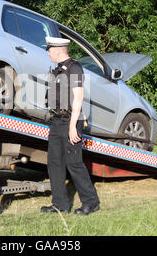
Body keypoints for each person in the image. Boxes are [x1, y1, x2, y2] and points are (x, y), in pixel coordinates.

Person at [41, 36, 100, 215]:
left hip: (70, 121)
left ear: (58, 50)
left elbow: (78, 97)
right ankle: (60, 205)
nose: (48, 52)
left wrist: (73, 125)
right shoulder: (58, 70)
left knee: (74, 163)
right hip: (57, 121)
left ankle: (91, 202)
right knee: (54, 164)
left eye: (49, 49)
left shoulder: (74, 68)